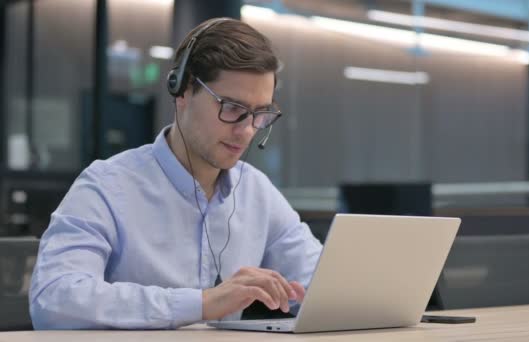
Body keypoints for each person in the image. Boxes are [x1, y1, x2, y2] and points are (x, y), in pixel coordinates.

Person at [29, 17, 322, 330]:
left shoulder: (256, 191)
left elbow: (323, 282)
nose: (247, 130)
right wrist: (203, 302)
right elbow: (54, 299)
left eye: (260, 114)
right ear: (182, 91)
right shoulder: (106, 186)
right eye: (232, 108)